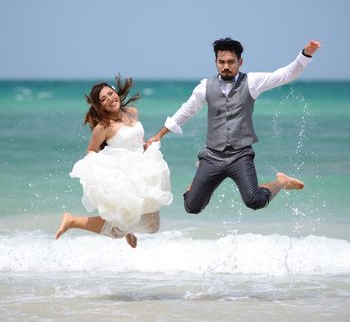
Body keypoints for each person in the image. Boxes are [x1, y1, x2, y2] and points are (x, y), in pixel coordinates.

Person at [146, 39, 321, 215]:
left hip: (240, 155)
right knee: (192, 207)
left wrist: (305, 55)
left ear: (240, 62)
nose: (226, 66)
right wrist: (159, 135)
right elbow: (186, 111)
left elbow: (285, 75)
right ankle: (198, 180)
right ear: (216, 62)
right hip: (212, 155)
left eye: (231, 62)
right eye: (221, 62)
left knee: (255, 201)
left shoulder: (252, 81)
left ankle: (282, 182)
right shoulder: (205, 87)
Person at [56, 77, 173, 248]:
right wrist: (104, 166)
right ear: (100, 106)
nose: (110, 99)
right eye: (104, 99)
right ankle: (72, 220)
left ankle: (127, 230)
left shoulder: (132, 112)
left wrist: (145, 145)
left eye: (110, 94)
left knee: (153, 226)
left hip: (143, 169)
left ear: (116, 92)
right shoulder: (103, 127)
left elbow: (135, 138)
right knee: (117, 229)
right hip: (124, 175)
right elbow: (91, 150)